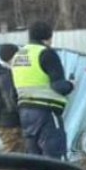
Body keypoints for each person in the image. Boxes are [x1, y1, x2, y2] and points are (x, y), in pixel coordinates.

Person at [11, 21, 74, 160]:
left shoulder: (18, 56)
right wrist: (71, 85)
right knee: (53, 157)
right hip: (46, 112)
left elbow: (13, 89)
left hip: (25, 113)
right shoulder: (46, 53)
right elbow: (59, 86)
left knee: (34, 159)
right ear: (49, 37)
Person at [0, 44, 26, 153]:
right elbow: (11, 104)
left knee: (14, 153)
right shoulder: (5, 77)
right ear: (11, 58)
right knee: (13, 155)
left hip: (4, 123)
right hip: (10, 124)